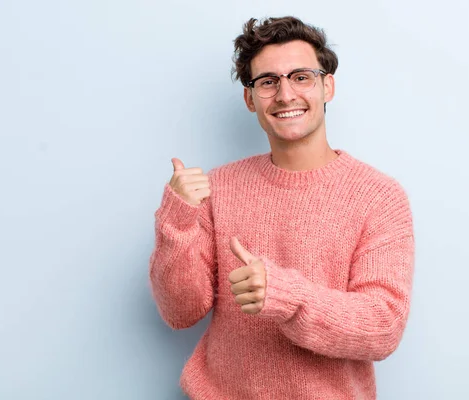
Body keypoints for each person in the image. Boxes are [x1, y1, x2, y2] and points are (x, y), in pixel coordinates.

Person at [149, 16, 415, 400]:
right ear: (250, 98)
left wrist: (287, 297)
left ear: (328, 86)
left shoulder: (379, 196)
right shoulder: (218, 187)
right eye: (268, 82)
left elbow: (383, 326)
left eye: (301, 77)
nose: (286, 95)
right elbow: (180, 313)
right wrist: (177, 222)